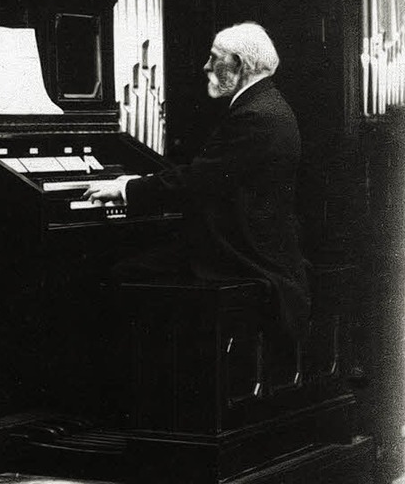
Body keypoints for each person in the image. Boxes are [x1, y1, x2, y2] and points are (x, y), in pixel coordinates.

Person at [84, 22, 310, 340]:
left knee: (121, 272)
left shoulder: (255, 116)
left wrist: (127, 188)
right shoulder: (268, 105)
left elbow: (199, 179)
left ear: (239, 65)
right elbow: (209, 174)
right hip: (252, 245)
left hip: (243, 256)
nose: (206, 65)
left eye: (214, 57)